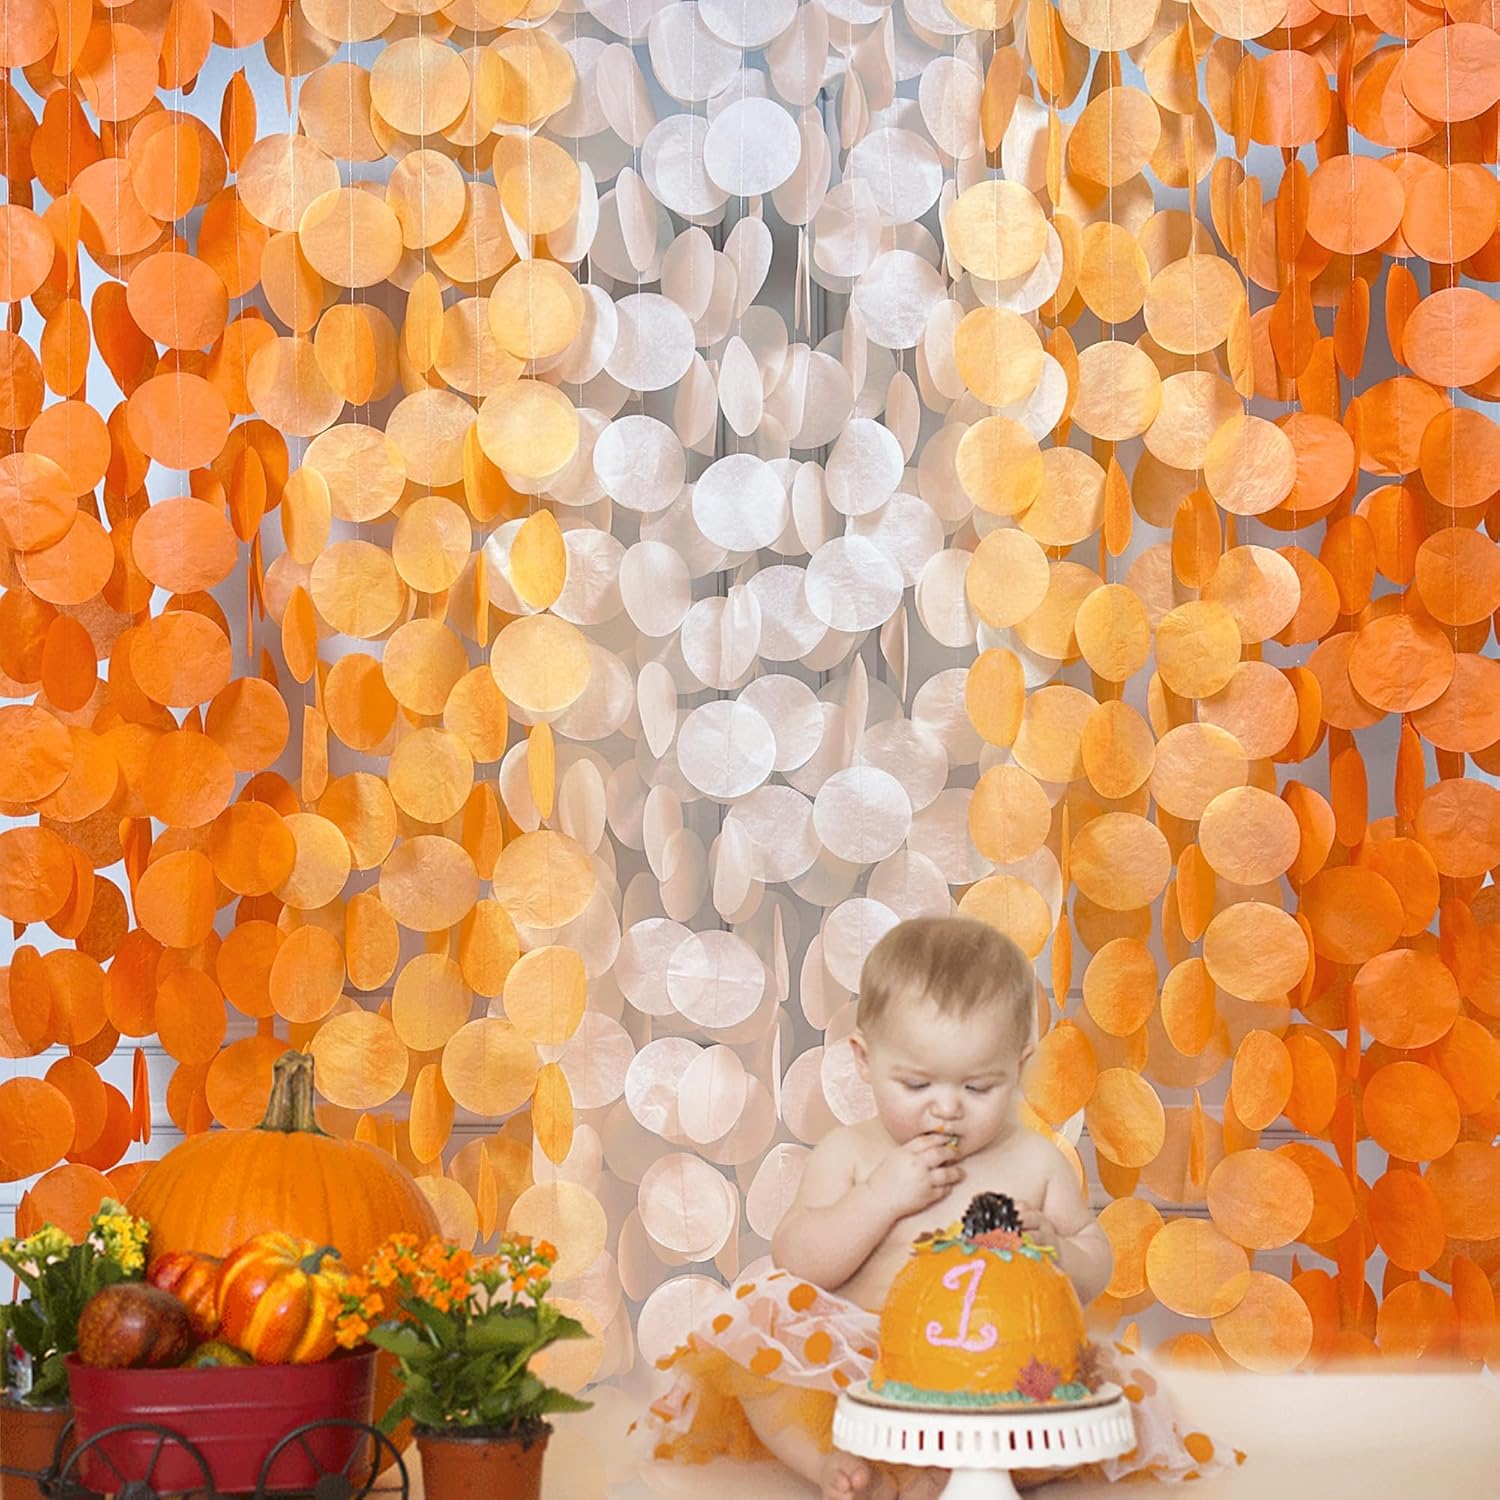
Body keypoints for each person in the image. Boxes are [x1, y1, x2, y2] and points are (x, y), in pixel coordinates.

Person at [647, 915, 1239, 1499]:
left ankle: (975, 1472)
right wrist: (879, 1199)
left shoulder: (1035, 1162)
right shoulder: (852, 1155)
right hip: (866, 1368)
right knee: (760, 1340)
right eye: (917, 1085)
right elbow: (797, 1261)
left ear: (1018, 1067)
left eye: (977, 1087)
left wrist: (1057, 1249)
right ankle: (831, 1462)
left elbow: (1095, 1264)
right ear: (864, 1059)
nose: (947, 1108)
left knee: (1097, 1407)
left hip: (1002, 1374)